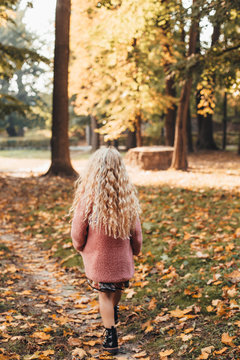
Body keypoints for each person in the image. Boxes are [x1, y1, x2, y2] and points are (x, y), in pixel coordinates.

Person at [70, 147, 142, 355]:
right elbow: (136, 232)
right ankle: (113, 312)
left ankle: (110, 336)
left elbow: (78, 229)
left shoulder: (89, 199)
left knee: (105, 294)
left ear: (94, 170)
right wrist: (136, 249)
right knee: (115, 290)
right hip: (121, 260)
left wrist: (79, 245)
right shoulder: (126, 200)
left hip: (99, 260)